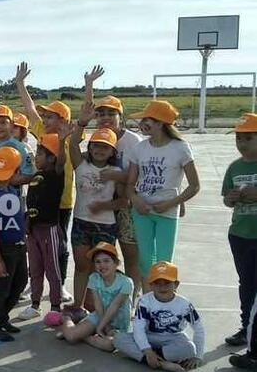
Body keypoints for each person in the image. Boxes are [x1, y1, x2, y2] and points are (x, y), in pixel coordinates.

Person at [16, 62, 77, 302]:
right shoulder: (42, 131)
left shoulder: (70, 136)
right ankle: (35, 284)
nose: (44, 118)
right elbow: (29, 109)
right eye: (45, 116)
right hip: (40, 201)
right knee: (36, 246)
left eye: (49, 116)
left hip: (62, 202)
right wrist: (21, 84)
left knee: (59, 246)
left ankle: (59, 284)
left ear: (62, 120)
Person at [81, 67, 144, 297]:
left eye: (111, 113)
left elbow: (143, 176)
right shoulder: (97, 139)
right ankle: (99, 298)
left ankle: (133, 295)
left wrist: (118, 176)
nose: (105, 118)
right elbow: (87, 110)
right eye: (101, 114)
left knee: (130, 253)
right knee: (100, 256)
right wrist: (88, 85)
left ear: (120, 116)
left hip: (126, 205)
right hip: (100, 206)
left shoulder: (133, 141)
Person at [125, 101, 201, 286]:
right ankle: (147, 304)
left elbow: (194, 186)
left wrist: (170, 203)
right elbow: (129, 184)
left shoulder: (180, 148)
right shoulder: (140, 148)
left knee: (164, 263)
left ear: (160, 123)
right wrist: (136, 200)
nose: (142, 123)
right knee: (145, 261)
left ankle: (165, 304)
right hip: (142, 212)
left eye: (147, 119)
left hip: (166, 213)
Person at [68, 119, 125, 308]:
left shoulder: (115, 172)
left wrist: (103, 206)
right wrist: (82, 123)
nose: (100, 150)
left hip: (105, 226)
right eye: (96, 146)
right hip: (81, 222)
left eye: (105, 147)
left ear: (112, 151)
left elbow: (124, 201)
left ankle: (98, 308)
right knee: (82, 266)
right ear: (90, 148)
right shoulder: (81, 165)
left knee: (102, 269)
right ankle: (78, 306)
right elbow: (73, 143)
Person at [114, 261, 205, 372]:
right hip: (150, 337)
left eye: (167, 283)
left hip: (174, 338)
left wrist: (198, 356)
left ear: (176, 284)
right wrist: (147, 350)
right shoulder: (145, 301)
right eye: (157, 283)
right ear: (151, 285)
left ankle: (150, 359)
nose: (162, 287)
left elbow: (198, 328)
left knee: (190, 349)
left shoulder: (184, 305)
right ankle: (164, 364)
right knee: (119, 338)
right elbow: (138, 328)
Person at [18, 133, 67, 320]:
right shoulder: (36, 175)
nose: (35, 157)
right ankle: (35, 304)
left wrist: (62, 141)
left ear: (52, 158)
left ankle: (55, 306)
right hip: (33, 231)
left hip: (49, 230)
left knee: (52, 269)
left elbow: (62, 160)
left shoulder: (56, 174)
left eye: (40, 154)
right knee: (35, 269)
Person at [0, 147, 28, 341]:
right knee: (1, 290)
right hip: (4, 249)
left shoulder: (10, 190)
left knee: (19, 284)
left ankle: (3, 318)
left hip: (18, 246)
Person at [54, 242, 132, 351]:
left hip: (118, 322)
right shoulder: (94, 278)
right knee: (71, 337)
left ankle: (84, 336)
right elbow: (98, 305)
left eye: (106, 261)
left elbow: (114, 306)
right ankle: (66, 319)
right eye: (98, 262)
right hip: (99, 316)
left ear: (116, 263)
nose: (102, 265)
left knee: (109, 346)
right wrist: (103, 327)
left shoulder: (126, 282)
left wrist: (102, 328)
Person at [222, 113, 257, 346]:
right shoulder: (234, 167)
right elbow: (226, 198)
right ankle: (247, 327)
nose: (241, 144)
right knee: (246, 283)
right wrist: (232, 198)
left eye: (248, 138)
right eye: (238, 139)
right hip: (240, 234)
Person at [0, 105, 36, 184]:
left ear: (11, 124)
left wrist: (4, 181)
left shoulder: (20, 148)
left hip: (12, 194)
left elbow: (29, 174)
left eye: (3, 123)